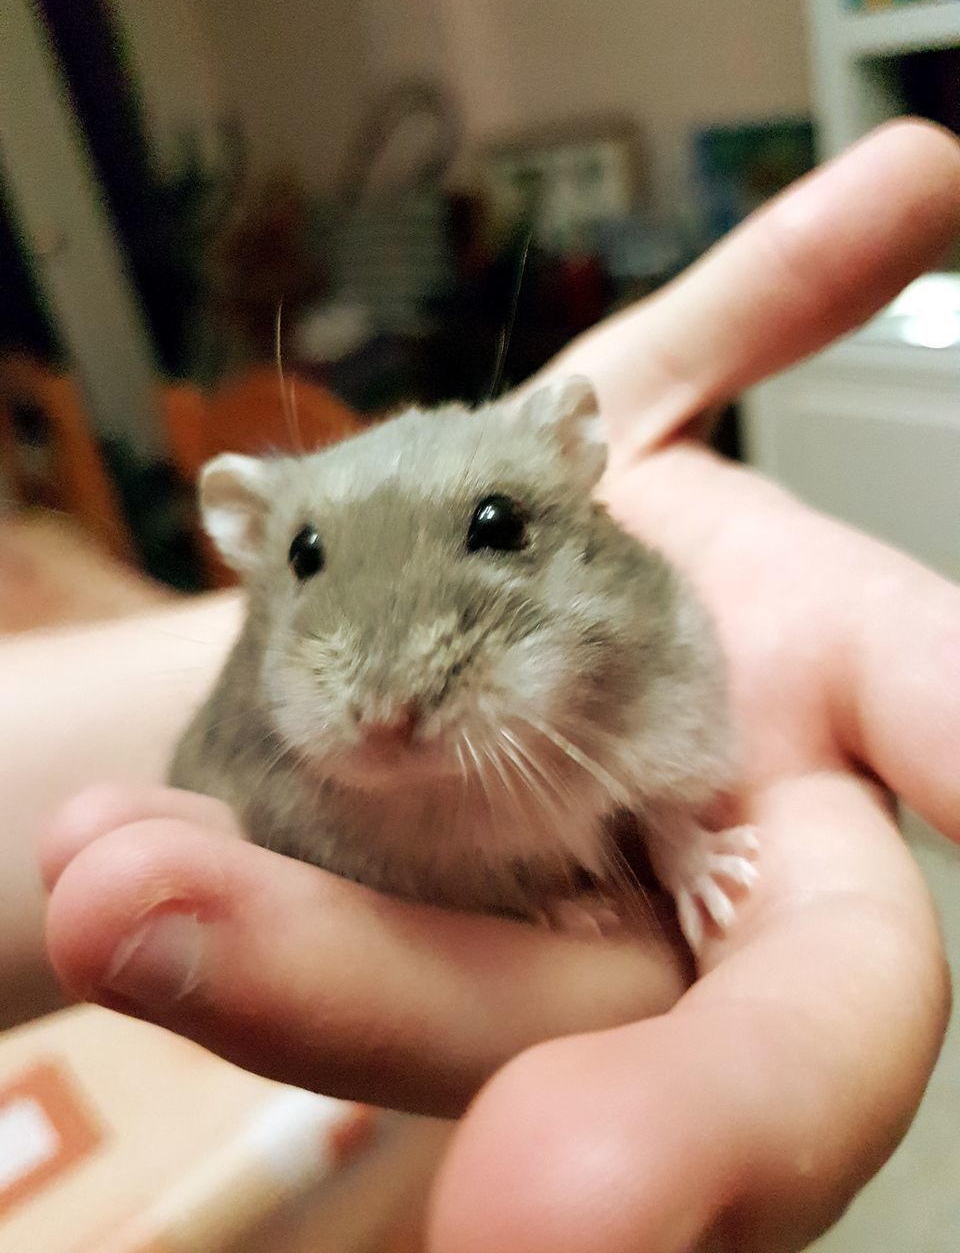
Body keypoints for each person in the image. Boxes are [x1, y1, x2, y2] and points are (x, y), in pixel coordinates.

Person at [3, 118, 959, 1252]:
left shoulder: (653, 635)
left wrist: (683, 840)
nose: (391, 698)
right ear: (260, 543)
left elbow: (677, 738)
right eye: (305, 559)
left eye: (493, 528)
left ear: (570, 472)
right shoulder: (266, 736)